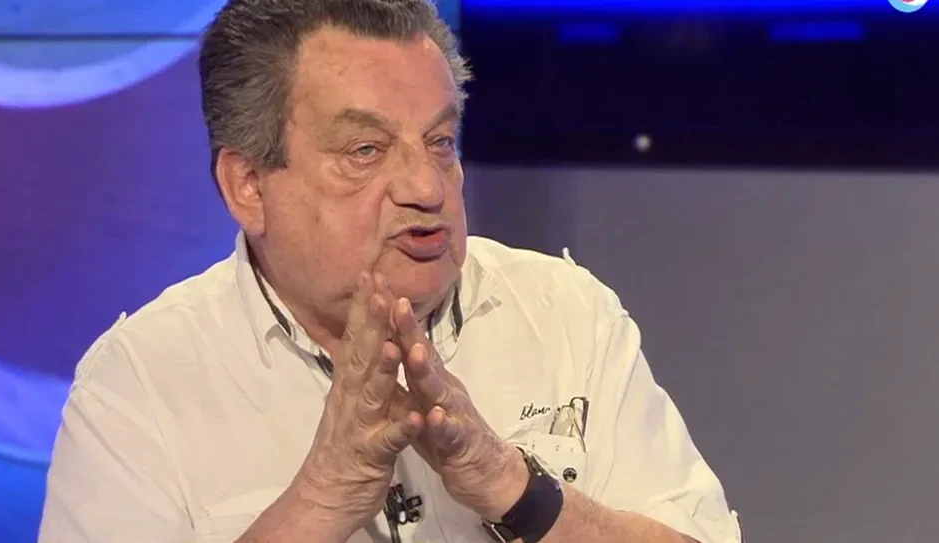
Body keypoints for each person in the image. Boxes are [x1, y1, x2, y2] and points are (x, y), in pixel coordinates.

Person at [38, 1, 742, 542]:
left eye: (440, 141)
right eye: (366, 151)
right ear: (247, 186)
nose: (426, 187)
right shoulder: (138, 387)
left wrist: (513, 487)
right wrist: (320, 500)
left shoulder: (566, 315)